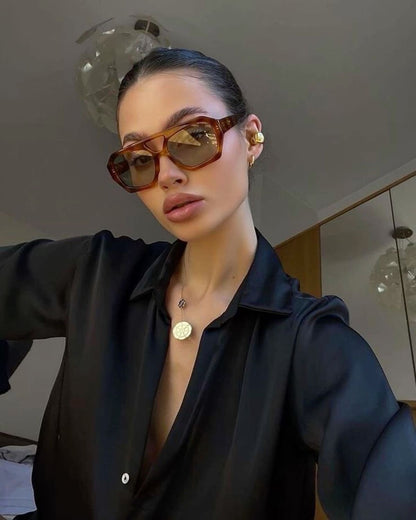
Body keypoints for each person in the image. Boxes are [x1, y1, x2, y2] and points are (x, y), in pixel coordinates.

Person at [1, 47, 416, 520]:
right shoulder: (95, 271)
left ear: (252, 137)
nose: (167, 175)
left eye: (194, 136)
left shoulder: (311, 342)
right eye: (140, 158)